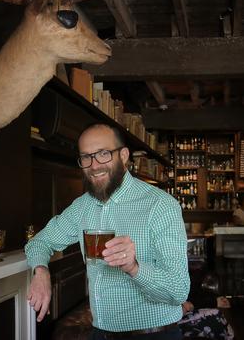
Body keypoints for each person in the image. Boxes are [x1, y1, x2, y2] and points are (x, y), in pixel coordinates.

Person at [25, 123, 190, 339]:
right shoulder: (82, 206)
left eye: (103, 154)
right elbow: (39, 242)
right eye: (86, 157)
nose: (94, 165)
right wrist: (41, 271)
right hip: (100, 332)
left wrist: (134, 267)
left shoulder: (160, 205)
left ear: (123, 156)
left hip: (153, 334)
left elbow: (178, 291)